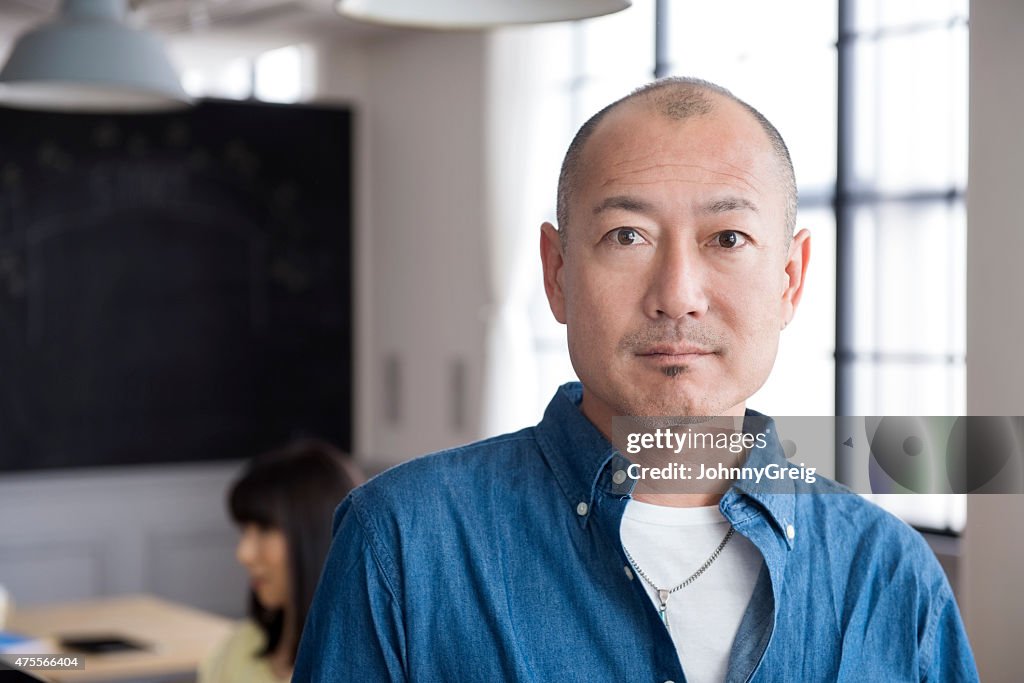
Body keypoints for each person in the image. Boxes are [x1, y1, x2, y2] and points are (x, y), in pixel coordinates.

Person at [294, 77, 978, 681]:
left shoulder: (890, 575)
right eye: (627, 235)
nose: (677, 294)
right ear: (557, 273)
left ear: (790, 280)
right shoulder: (404, 542)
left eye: (728, 238)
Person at [199, 439, 364, 683]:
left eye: (264, 529)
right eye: (244, 530)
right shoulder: (238, 649)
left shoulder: (369, 670)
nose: (243, 553)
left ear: (315, 537)